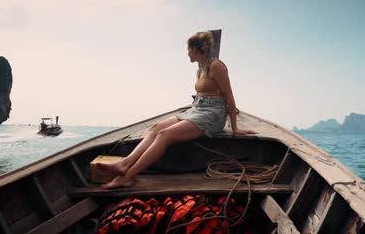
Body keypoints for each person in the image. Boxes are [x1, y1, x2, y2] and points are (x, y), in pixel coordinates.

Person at [97, 31, 257, 189]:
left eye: (188, 50)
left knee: (163, 135)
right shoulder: (200, 69)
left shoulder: (216, 66)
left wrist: (235, 128)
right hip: (197, 109)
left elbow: (229, 96)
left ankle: (128, 177)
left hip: (213, 114)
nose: (187, 53)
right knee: (155, 128)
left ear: (194, 49)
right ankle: (124, 164)